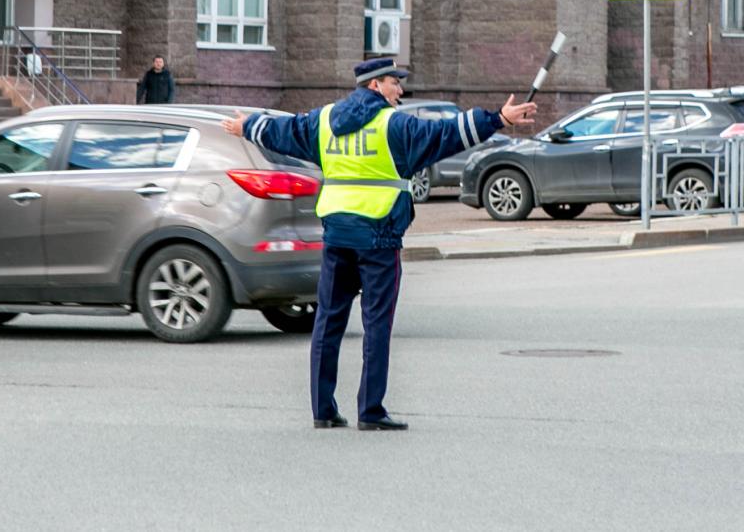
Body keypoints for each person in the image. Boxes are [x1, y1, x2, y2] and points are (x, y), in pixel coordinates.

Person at [221, 58, 536, 431]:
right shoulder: (394, 124)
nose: (400, 90)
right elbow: (447, 135)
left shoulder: (324, 121)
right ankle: (370, 411)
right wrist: (498, 118)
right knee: (377, 325)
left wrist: (248, 126)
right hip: (379, 236)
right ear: (374, 87)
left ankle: (323, 409)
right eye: (394, 83)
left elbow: (285, 130)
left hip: (337, 234)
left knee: (327, 320)